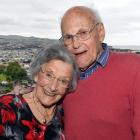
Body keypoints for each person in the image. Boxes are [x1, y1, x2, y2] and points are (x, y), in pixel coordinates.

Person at [60, 6, 140, 140]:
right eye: (68, 37)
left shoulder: (134, 68)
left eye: (83, 33)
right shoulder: (62, 77)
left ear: (100, 32)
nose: (75, 44)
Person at [0, 43, 79, 140]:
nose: (53, 87)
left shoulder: (65, 115)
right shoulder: (6, 108)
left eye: (63, 81)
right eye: (49, 75)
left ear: (69, 86)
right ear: (36, 74)